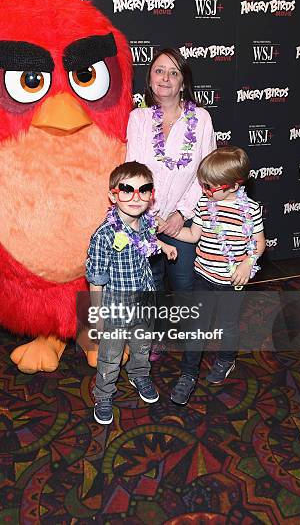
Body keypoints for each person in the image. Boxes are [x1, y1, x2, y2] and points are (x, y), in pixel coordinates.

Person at [169, 146, 266, 405]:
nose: (205, 191)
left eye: (211, 187)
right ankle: (188, 375)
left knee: (227, 325)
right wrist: (168, 230)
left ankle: (226, 359)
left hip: (231, 282)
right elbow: (192, 236)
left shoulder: (251, 210)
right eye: (203, 185)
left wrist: (248, 262)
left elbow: (259, 242)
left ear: (235, 185)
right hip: (202, 276)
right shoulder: (204, 204)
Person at [86, 161, 177, 425]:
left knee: (142, 346)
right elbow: (96, 277)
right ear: (112, 195)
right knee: (111, 356)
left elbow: (148, 240)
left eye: (143, 190)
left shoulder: (148, 222)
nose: (136, 197)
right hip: (116, 307)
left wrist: (163, 246)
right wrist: (97, 314)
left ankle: (139, 375)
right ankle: (103, 395)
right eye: (127, 190)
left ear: (151, 195)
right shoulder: (104, 235)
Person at [126, 47, 216, 294]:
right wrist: (150, 215)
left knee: (184, 287)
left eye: (173, 73)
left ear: (183, 83)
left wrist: (180, 213)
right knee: (149, 286)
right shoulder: (138, 118)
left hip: (184, 221)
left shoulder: (202, 118)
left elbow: (206, 174)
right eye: (159, 71)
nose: (165, 78)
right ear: (150, 79)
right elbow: (132, 172)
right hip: (144, 219)